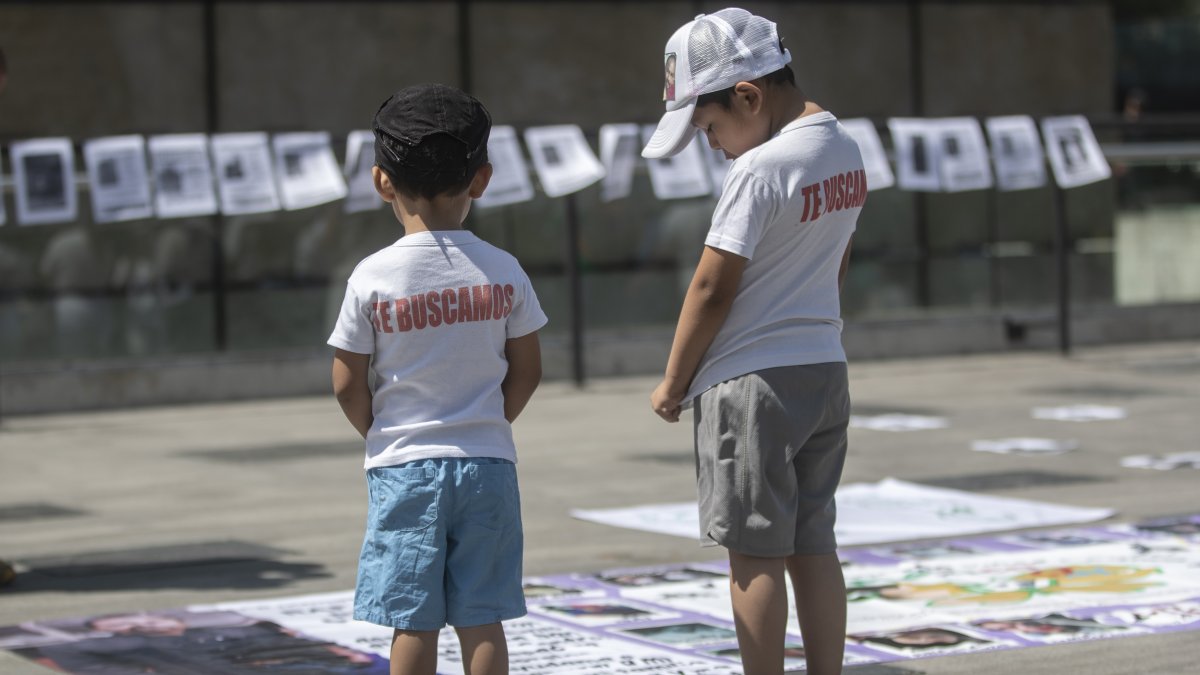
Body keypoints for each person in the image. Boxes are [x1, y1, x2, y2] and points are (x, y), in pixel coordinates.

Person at [643, 8, 864, 675]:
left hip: (752, 388)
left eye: (709, 127)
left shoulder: (759, 170)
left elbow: (712, 286)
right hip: (824, 368)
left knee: (755, 553)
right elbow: (838, 261)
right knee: (813, 542)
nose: (713, 145)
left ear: (748, 96)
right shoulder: (845, 150)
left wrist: (673, 382)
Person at [328, 84, 547, 675]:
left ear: (381, 181)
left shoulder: (371, 276)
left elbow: (347, 380)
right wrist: (491, 421)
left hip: (403, 466)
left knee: (413, 619)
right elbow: (528, 369)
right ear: (480, 179)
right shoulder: (504, 270)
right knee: (482, 615)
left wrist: (381, 430)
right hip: (488, 464)